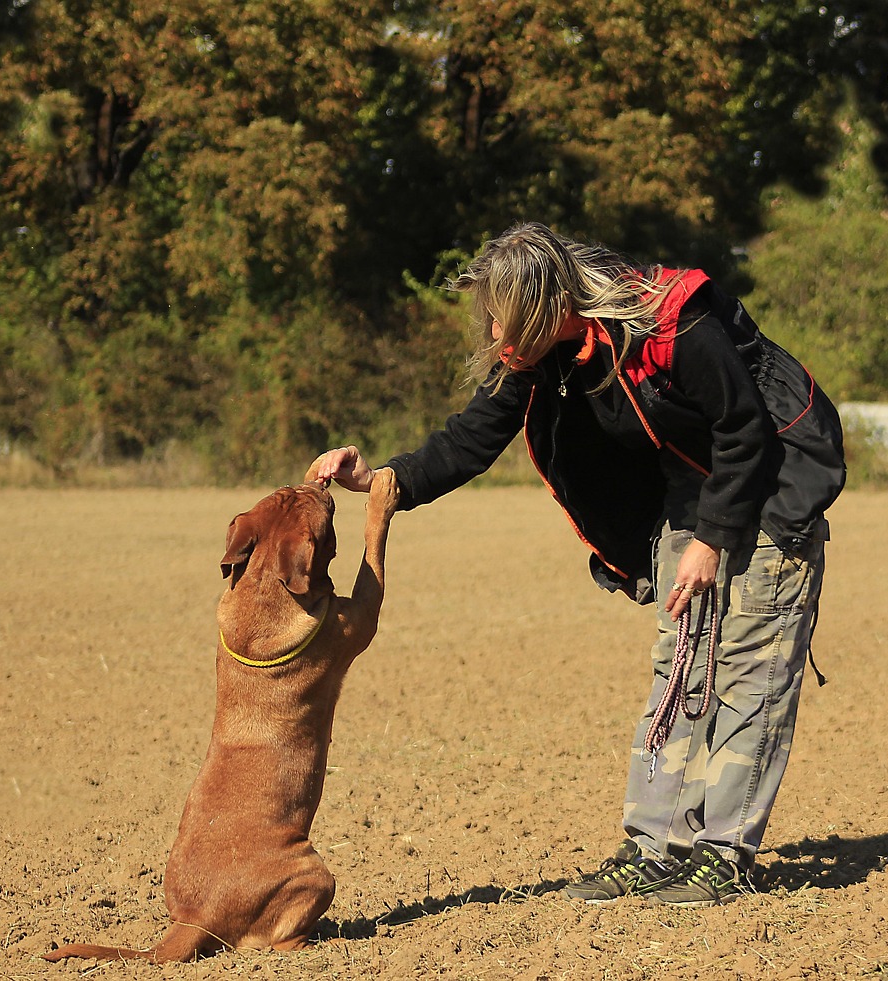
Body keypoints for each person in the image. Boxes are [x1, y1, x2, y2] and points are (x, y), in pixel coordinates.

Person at [311, 221, 845, 907]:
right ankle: (655, 847)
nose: (499, 339)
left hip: (772, 477)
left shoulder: (671, 322)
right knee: (680, 660)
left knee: (749, 665)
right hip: (692, 487)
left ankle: (722, 853)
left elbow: (743, 427)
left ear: (546, 305)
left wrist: (713, 539)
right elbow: (471, 438)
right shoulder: (540, 354)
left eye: (508, 320)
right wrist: (381, 478)